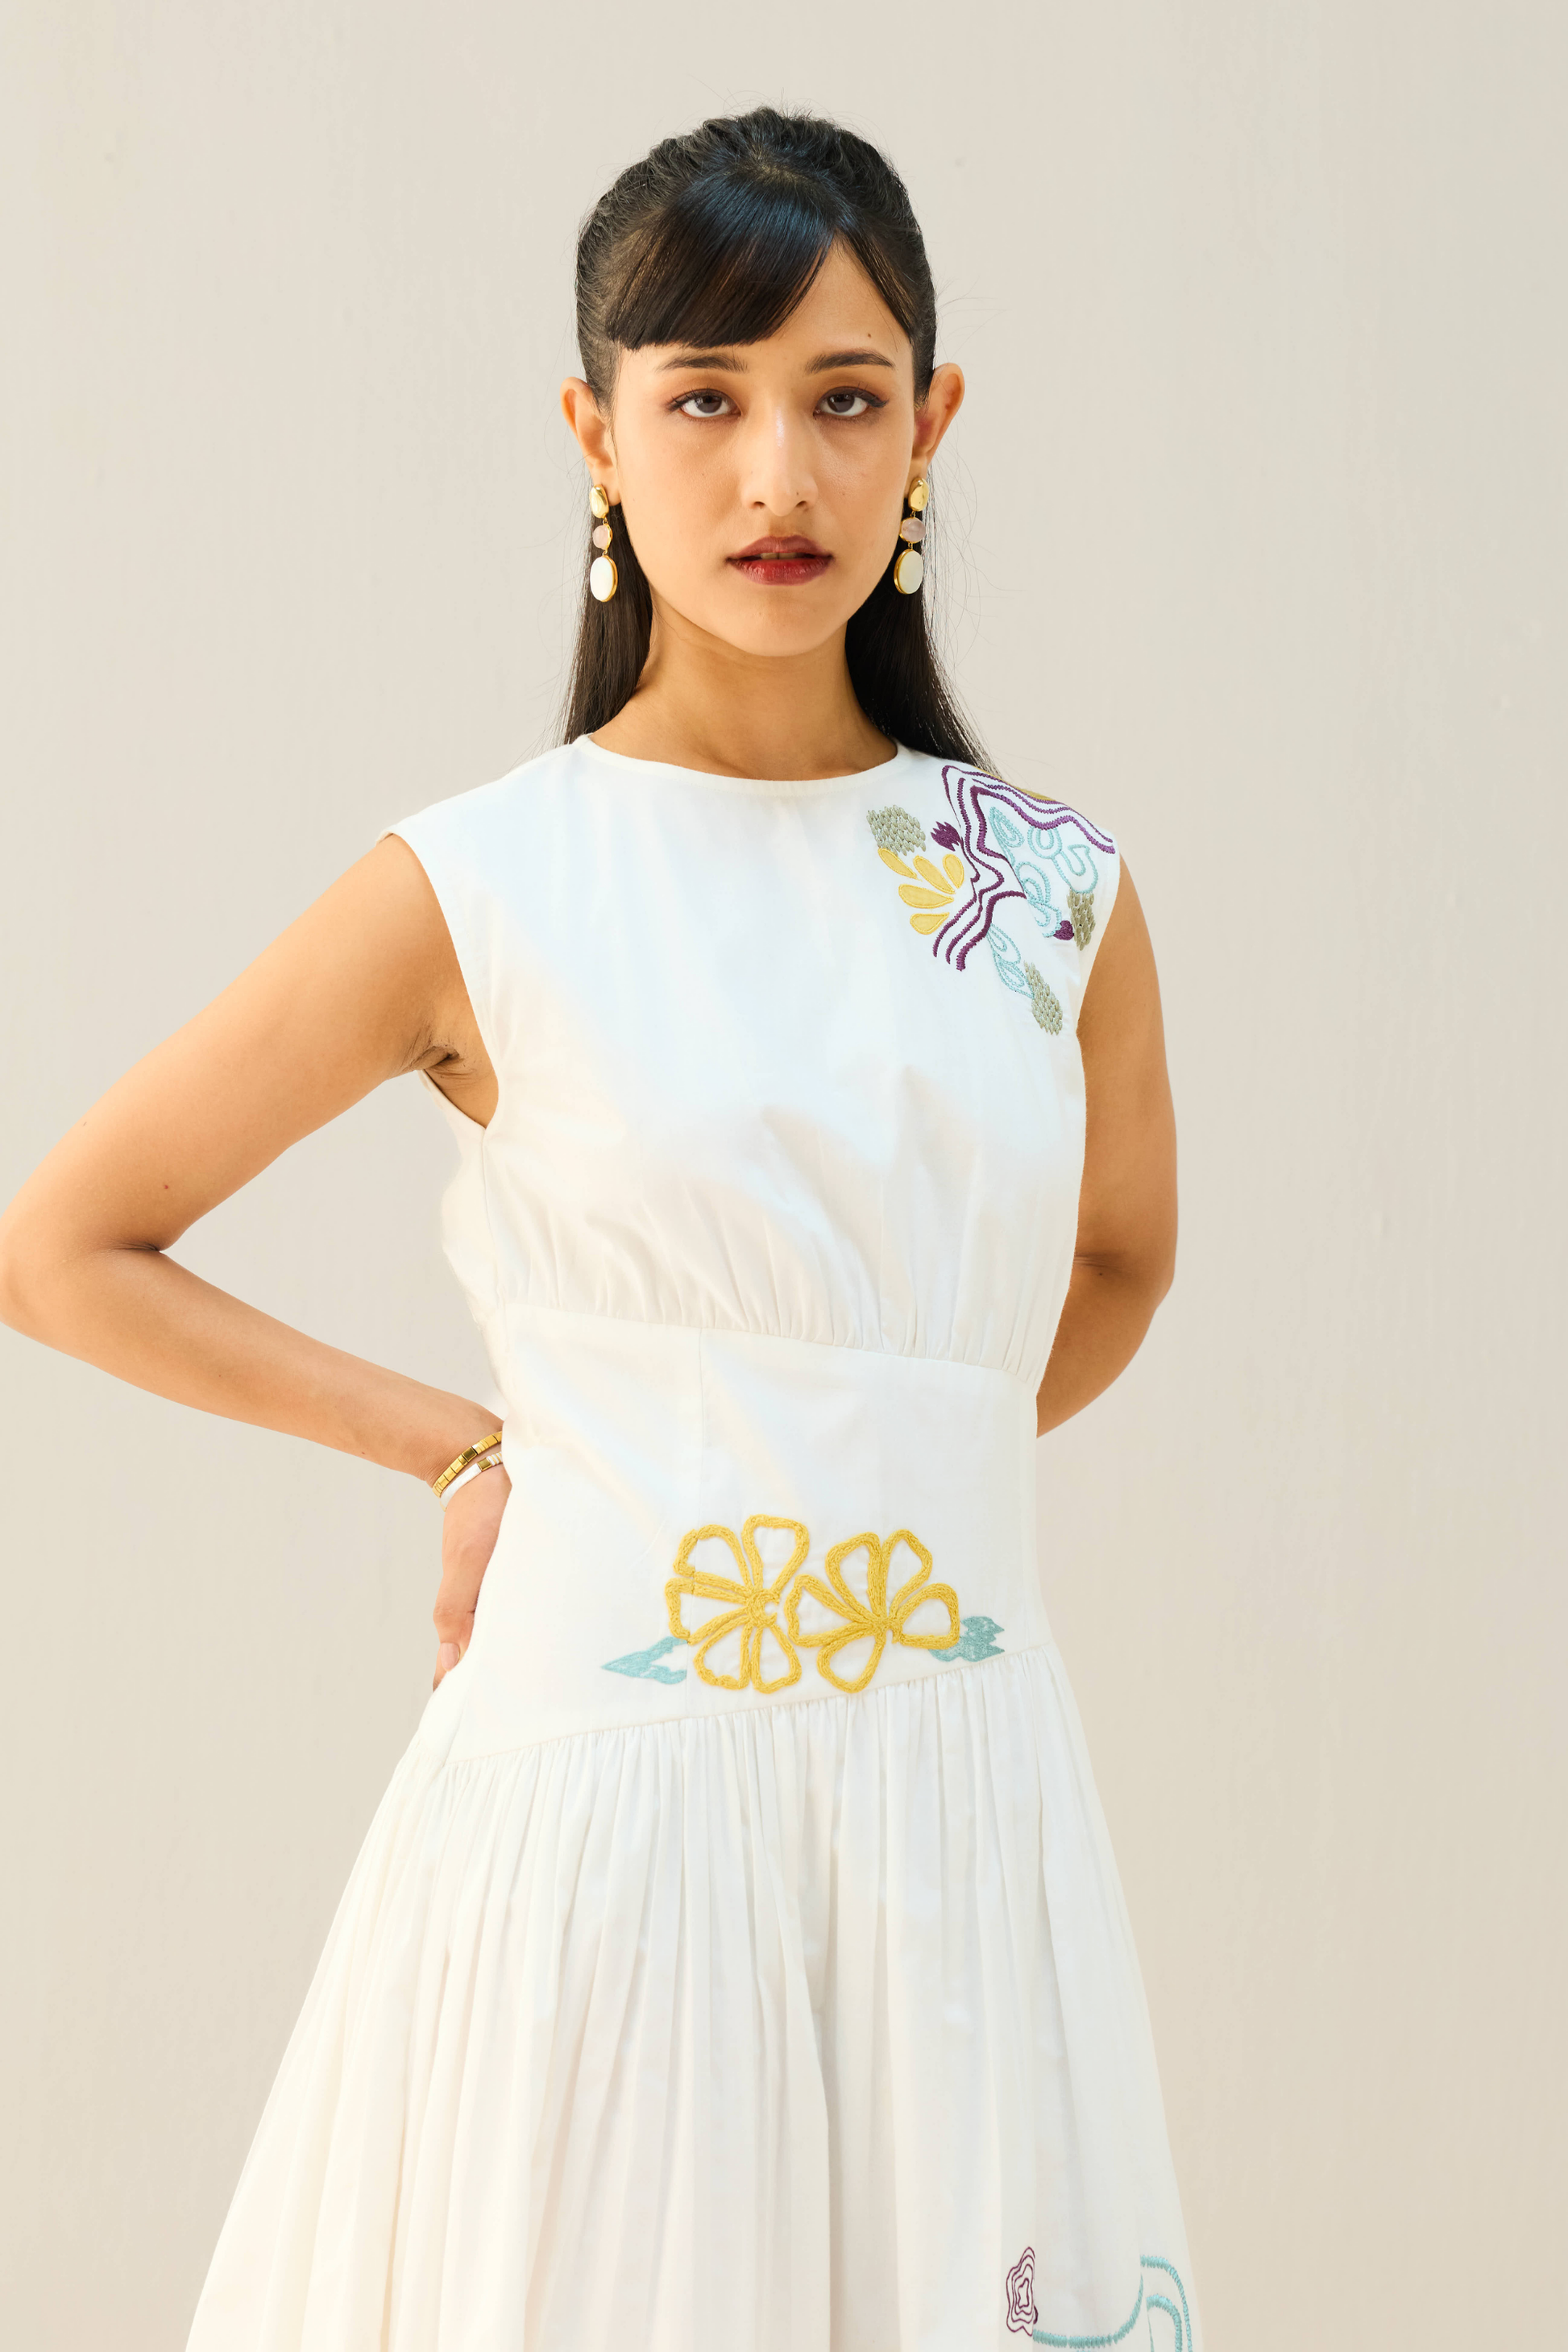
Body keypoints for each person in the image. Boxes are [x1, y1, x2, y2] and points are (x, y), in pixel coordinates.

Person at [0, 107, 1199, 2352]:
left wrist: (888, 1468)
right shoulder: (492, 880)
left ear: (932, 425)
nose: (780, 477)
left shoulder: (1048, 893)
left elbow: (1120, 1256)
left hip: (961, 1803)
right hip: (615, 1821)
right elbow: (63, 1241)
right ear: (596, 433)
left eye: (845, 398)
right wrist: (472, 1453)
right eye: (705, 400)